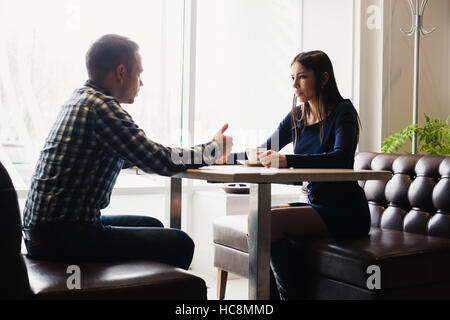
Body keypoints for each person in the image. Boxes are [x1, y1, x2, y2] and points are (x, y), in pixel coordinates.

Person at [22, 34, 232, 270]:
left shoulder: (79, 98)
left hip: (44, 234)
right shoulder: (101, 107)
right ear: (121, 72)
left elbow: (118, 155)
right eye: (139, 73)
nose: (141, 83)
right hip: (64, 238)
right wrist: (213, 150)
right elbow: (161, 160)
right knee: (180, 243)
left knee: (151, 224)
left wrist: (143, 156)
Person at [230, 50, 370, 299]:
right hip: (317, 204)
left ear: (324, 78)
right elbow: (264, 149)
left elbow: (342, 159)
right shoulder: (297, 116)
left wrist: (287, 160)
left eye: (302, 77)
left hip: (346, 211)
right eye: (292, 78)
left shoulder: (343, 112)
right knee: (258, 218)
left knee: (264, 222)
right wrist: (223, 159)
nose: (294, 85)